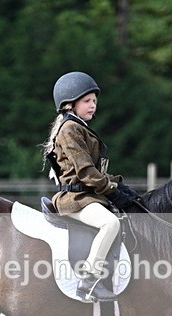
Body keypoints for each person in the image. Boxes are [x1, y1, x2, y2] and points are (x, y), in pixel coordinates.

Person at [43, 71, 137, 302]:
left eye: (94, 100)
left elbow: (96, 173)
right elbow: (86, 173)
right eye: (87, 101)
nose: (93, 105)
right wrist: (112, 191)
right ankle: (90, 280)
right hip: (75, 200)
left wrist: (120, 186)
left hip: (88, 196)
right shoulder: (70, 129)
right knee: (110, 223)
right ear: (69, 104)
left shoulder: (79, 127)